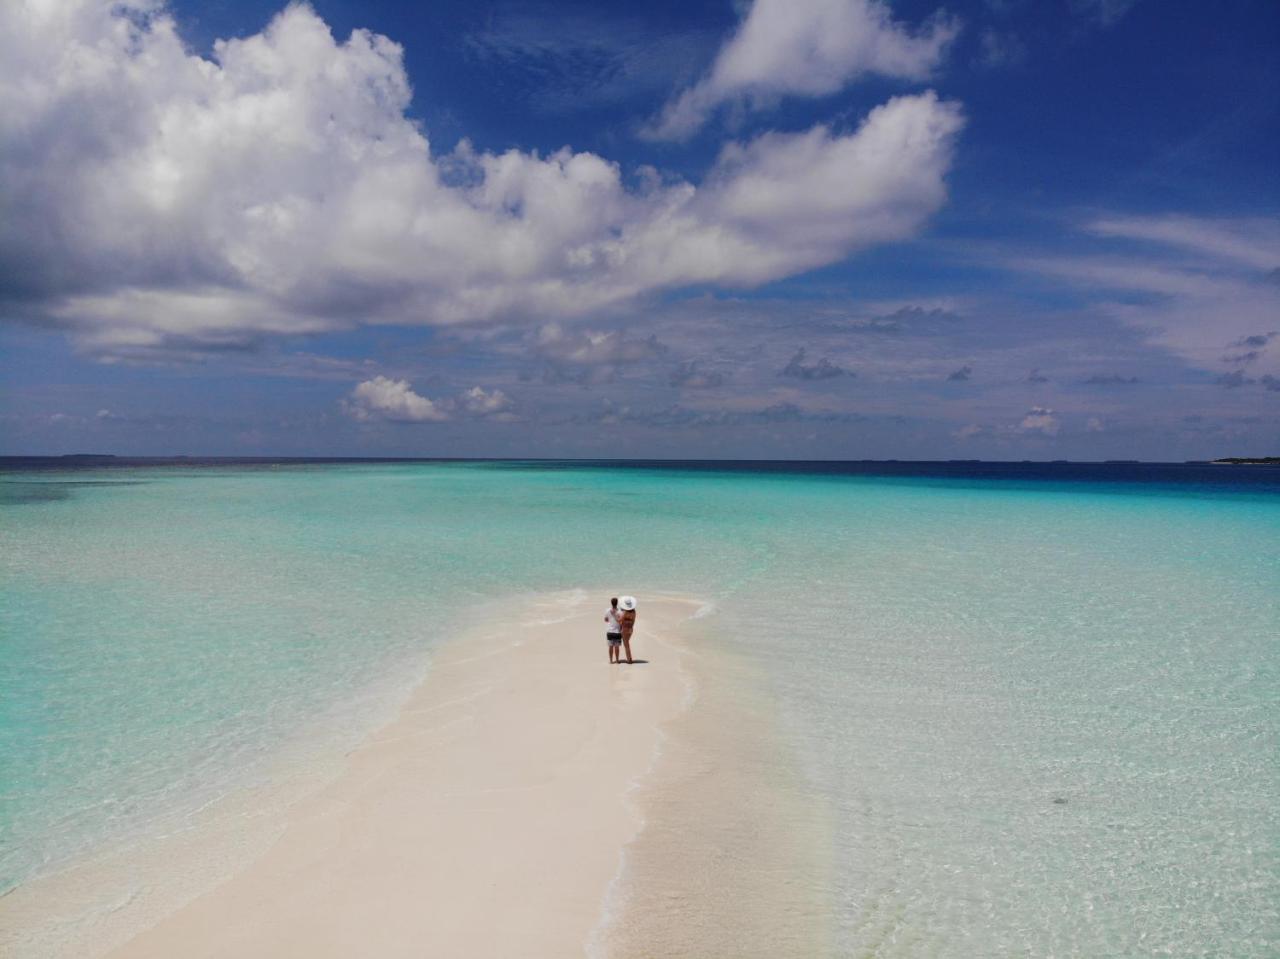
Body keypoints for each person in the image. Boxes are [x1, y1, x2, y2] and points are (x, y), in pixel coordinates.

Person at [618, 595, 637, 664]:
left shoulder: (625, 612)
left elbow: (620, 620)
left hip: (625, 629)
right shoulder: (634, 612)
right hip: (631, 629)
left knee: (626, 645)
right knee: (627, 644)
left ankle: (629, 660)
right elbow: (633, 621)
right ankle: (629, 658)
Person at [604, 597, 623, 664]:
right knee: (617, 647)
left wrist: (610, 619)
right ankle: (617, 660)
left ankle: (611, 661)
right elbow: (621, 622)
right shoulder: (620, 612)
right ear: (617, 603)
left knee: (610, 647)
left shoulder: (607, 610)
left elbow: (605, 620)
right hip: (617, 632)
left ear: (611, 603)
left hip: (609, 631)